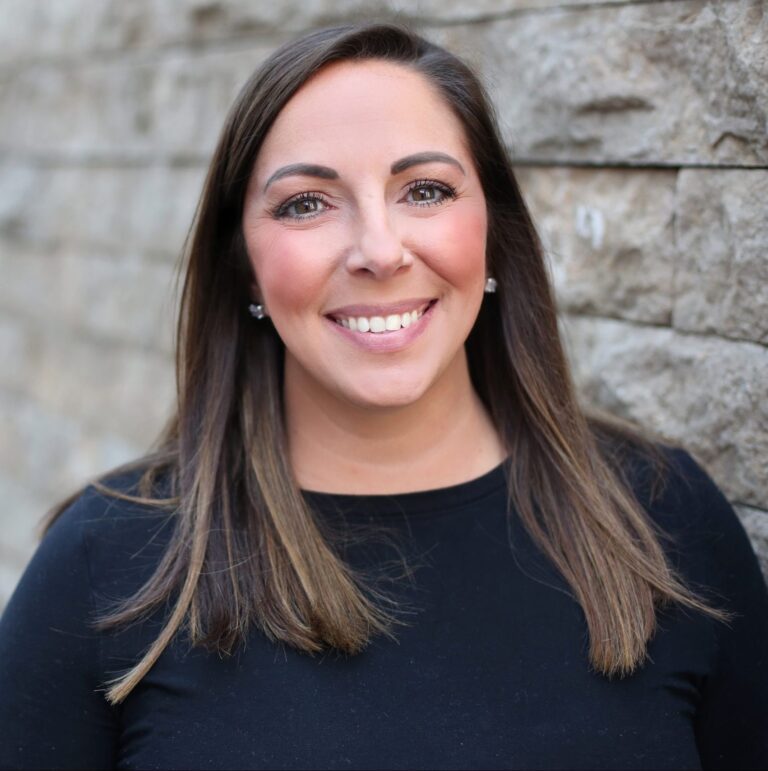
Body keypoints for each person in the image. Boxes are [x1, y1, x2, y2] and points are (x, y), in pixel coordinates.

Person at [1, 22, 766, 771]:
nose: (379, 250)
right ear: (244, 268)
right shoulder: (111, 563)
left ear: (494, 234)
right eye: (306, 202)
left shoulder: (666, 520)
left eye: (425, 190)